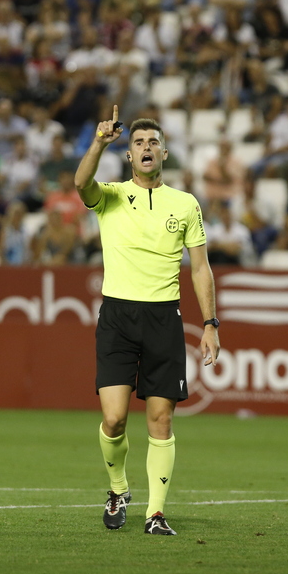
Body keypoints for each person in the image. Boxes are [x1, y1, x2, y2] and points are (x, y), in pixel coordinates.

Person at [75, 106, 219, 536]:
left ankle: (155, 514)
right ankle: (118, 488)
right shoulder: (112, 197)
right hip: (118, 315)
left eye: (153, 141)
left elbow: (200, 268)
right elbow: (80, 183)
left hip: (164, 318)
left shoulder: (186, 203)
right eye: (138, 143)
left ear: (165, 153)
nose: (146, 148)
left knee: (161, 420)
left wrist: (210, 322)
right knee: (114, 419)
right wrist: (100, 141)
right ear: (128, 155)